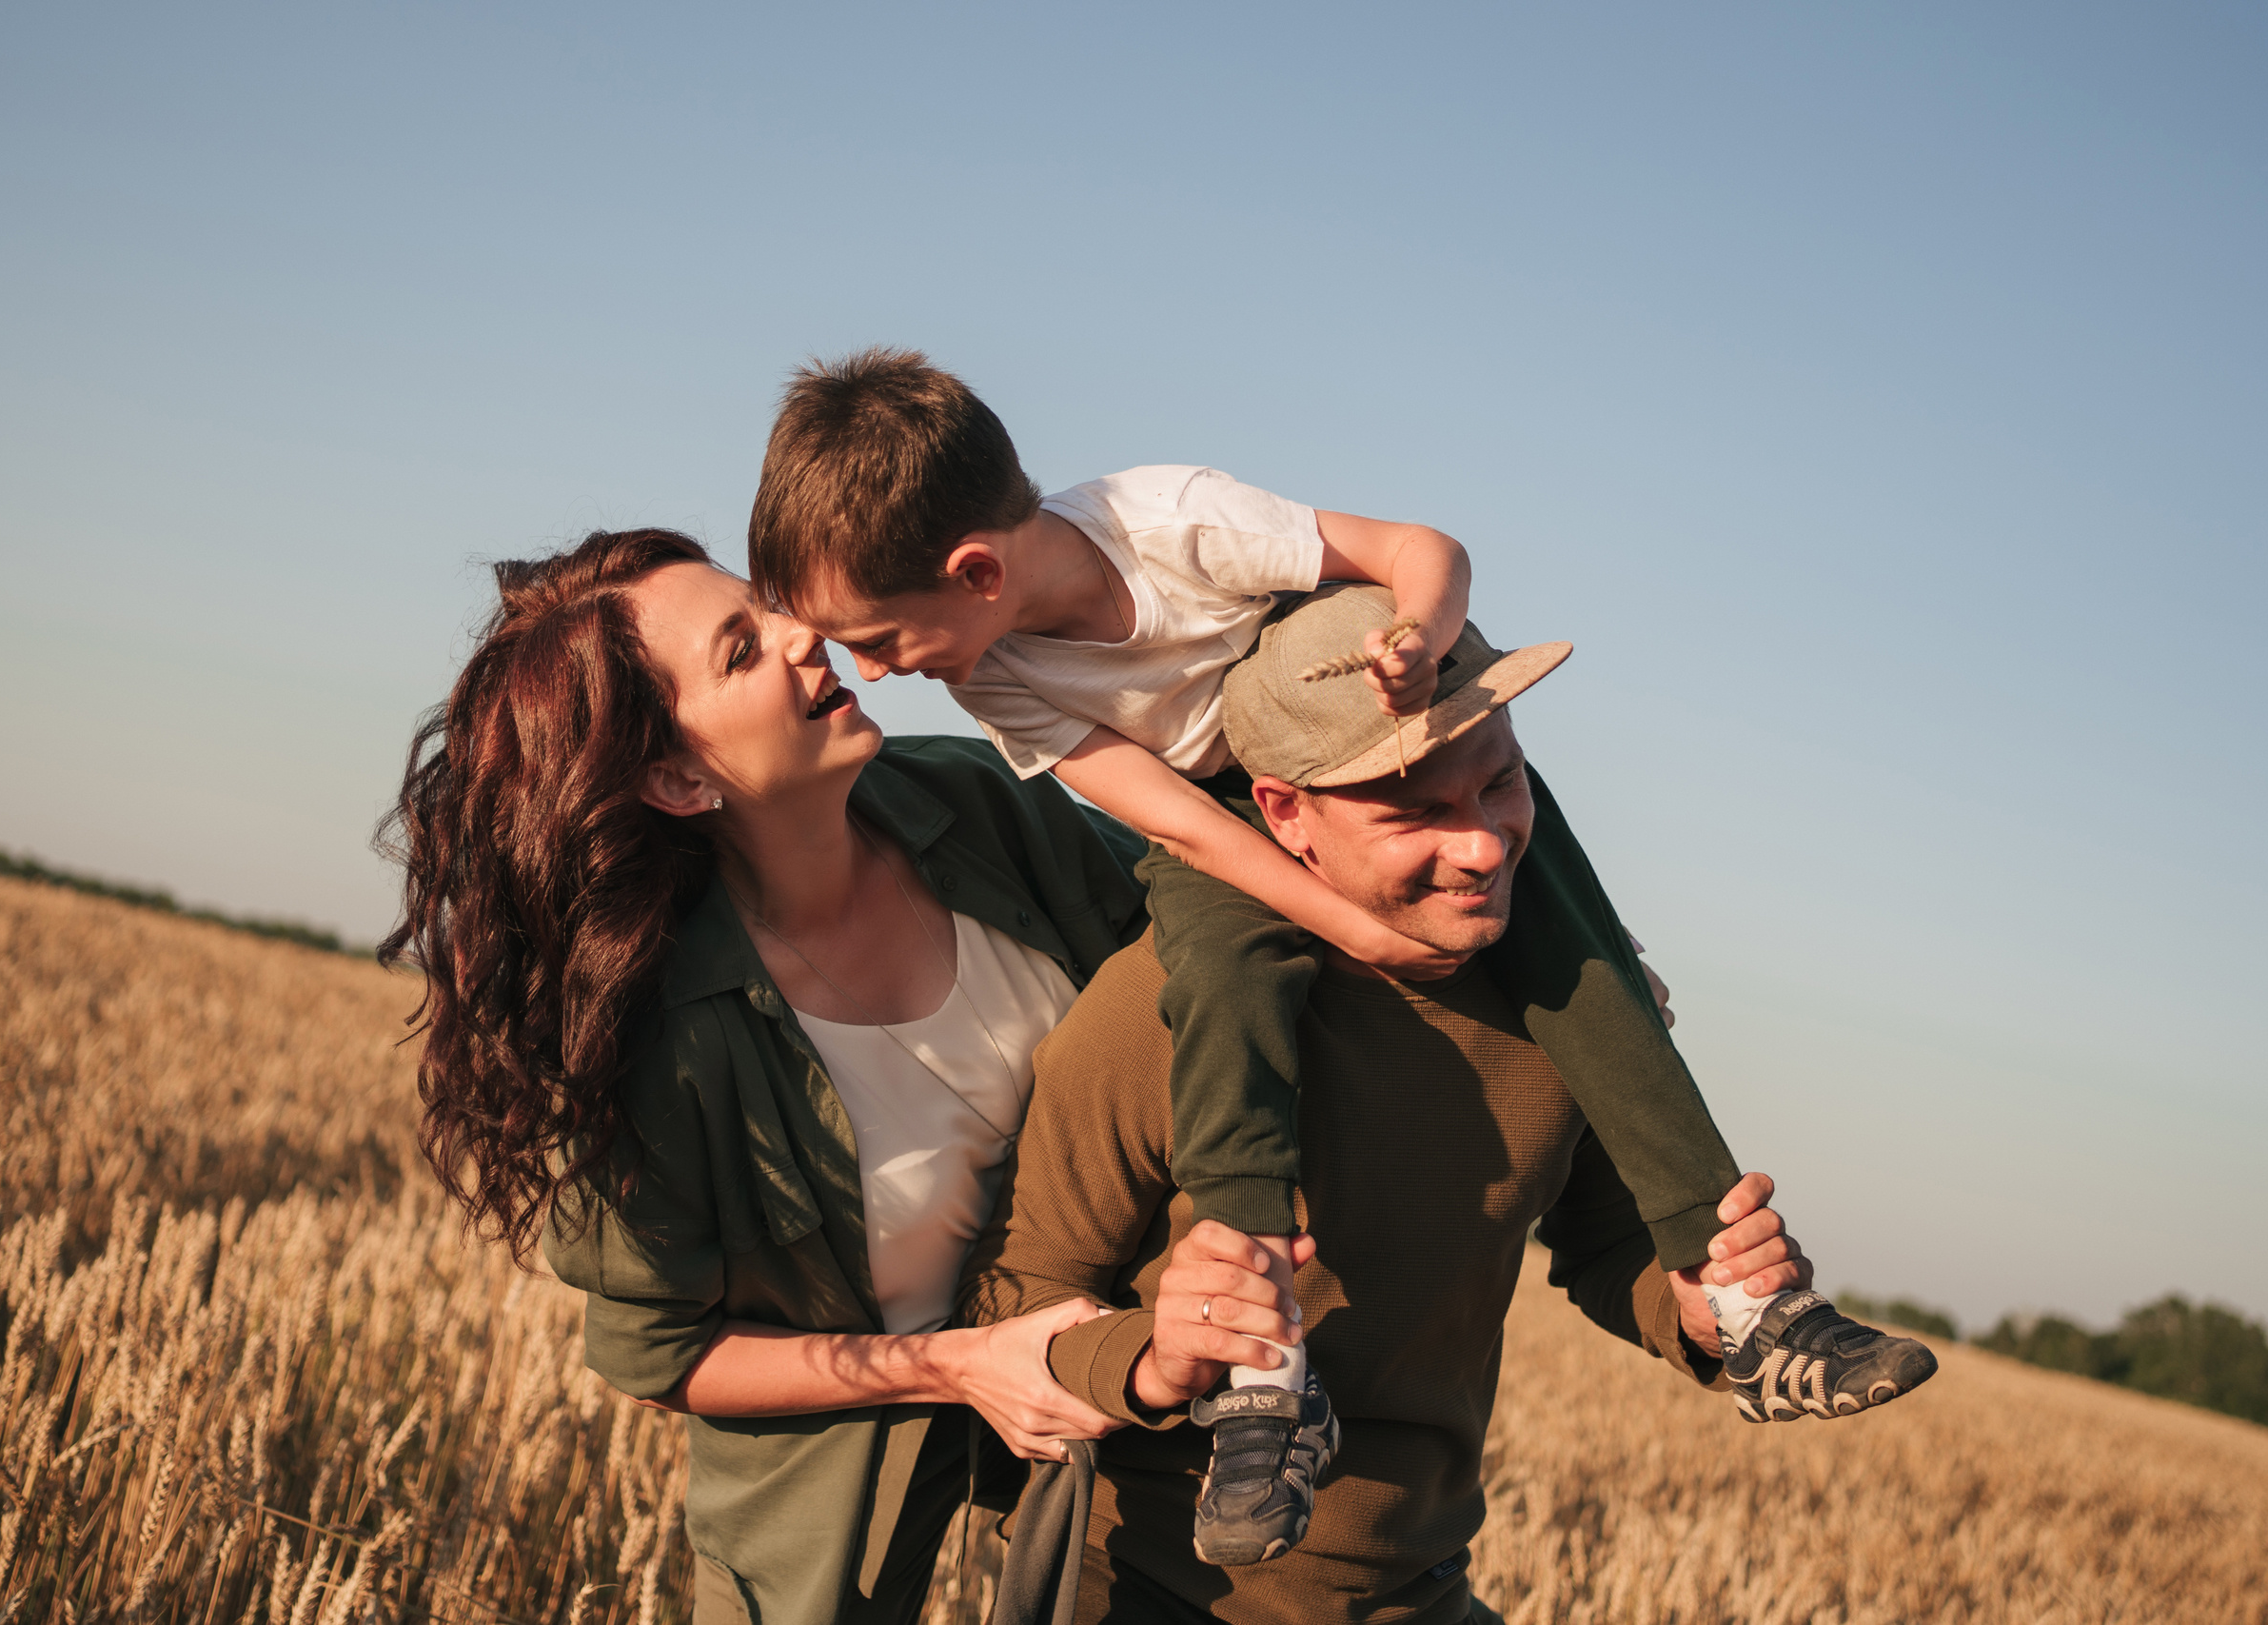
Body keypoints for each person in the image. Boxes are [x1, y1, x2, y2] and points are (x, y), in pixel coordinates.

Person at [745, 350, 1930, 1566]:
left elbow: (1415, 548)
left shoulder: (1175, 523)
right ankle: (1261, 1367)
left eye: (879, 639)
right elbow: (1184, 823)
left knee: (1593, 980)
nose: (872, 673)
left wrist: (1425, 636)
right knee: (1221, 992)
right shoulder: (1002, 681)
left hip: (1374, 723)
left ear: (976, 572)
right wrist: (1348, 925)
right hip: (1236, 831)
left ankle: (1753, 1306)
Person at [954, 584, 1939, 1622]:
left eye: (1501, 786)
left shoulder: (1564, 1008)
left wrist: (1692, 1307)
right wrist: (1158, 1359)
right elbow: (1011, 1302)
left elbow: (1610, 1246)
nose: (1480, 845)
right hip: (1150, 1589)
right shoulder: (1159, 1009)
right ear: (1284, 813)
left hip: (1414, 1592)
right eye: (1415, 812)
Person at [376, 528, 1154, 1625]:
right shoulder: (659, 1040)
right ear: (676, 776)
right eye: (743, 651)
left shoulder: (980, 802)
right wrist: (959, 1367)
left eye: (770, 608)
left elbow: (1183, 960)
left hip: (1135, 1408)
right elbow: (665, 1352)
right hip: (846, 1492)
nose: (805, 636)